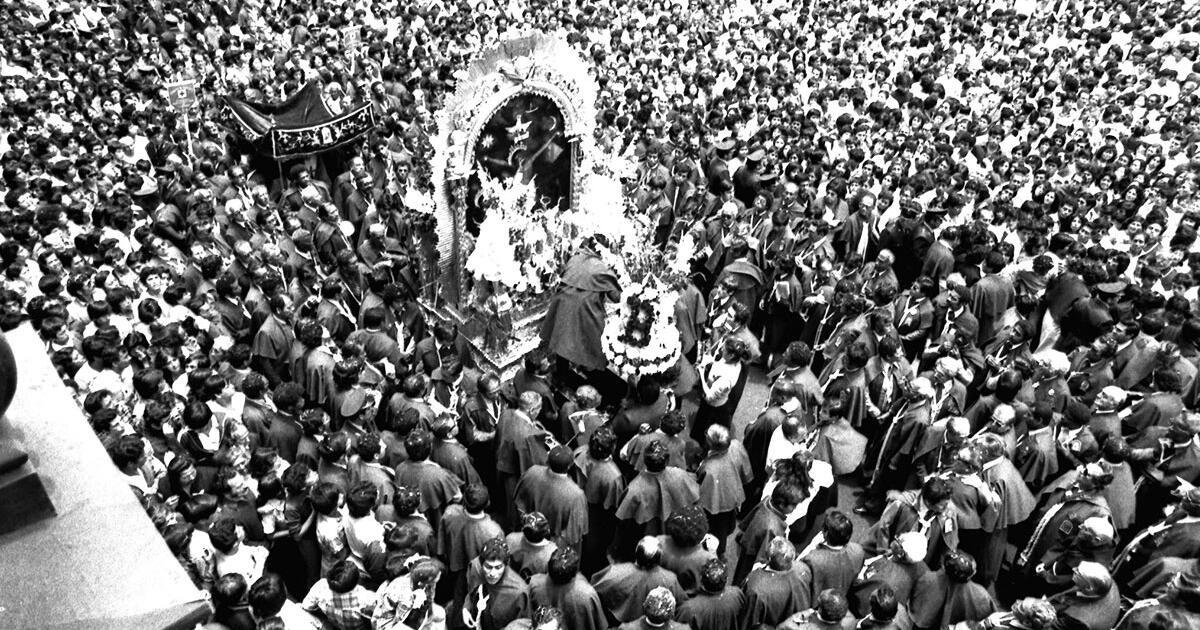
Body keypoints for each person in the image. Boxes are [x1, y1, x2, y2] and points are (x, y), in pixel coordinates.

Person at [540, 237, 621, 372]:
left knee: (563, 342)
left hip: (562, 307)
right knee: (593, 342)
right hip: (586, 311)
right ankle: (589, 370)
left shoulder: (576, 258)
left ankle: (563, 372)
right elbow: (616, 297)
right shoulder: (603, 269)